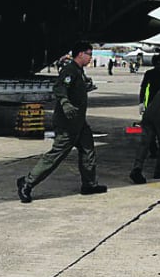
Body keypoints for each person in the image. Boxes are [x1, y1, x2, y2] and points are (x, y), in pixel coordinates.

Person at [17, 41, 107, 203]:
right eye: (89, 54)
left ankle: (89, 184)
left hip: (79, 121)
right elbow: (59, 88)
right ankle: (27, 183)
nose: (90, 58)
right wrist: (65, 103)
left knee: (88, 151)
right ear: (81, 54)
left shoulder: (79, 72)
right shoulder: (69, 70)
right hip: (67, 122)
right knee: (56, 155)